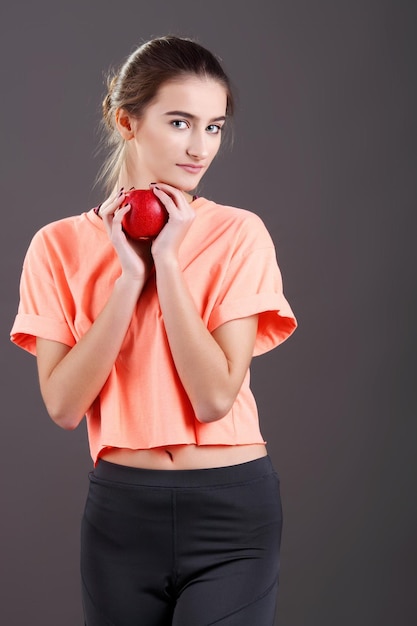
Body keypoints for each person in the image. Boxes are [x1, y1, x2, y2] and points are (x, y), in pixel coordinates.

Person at [10, 35, 297, 626]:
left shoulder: (240, 234)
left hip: (231, 511)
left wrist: (166, 264)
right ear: (127, 122)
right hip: (120, 517)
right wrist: (127, 278)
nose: (200, 147)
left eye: (213, 127)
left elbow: (215, 397)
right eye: (179, 122)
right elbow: (64, 406)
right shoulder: (56, 246)